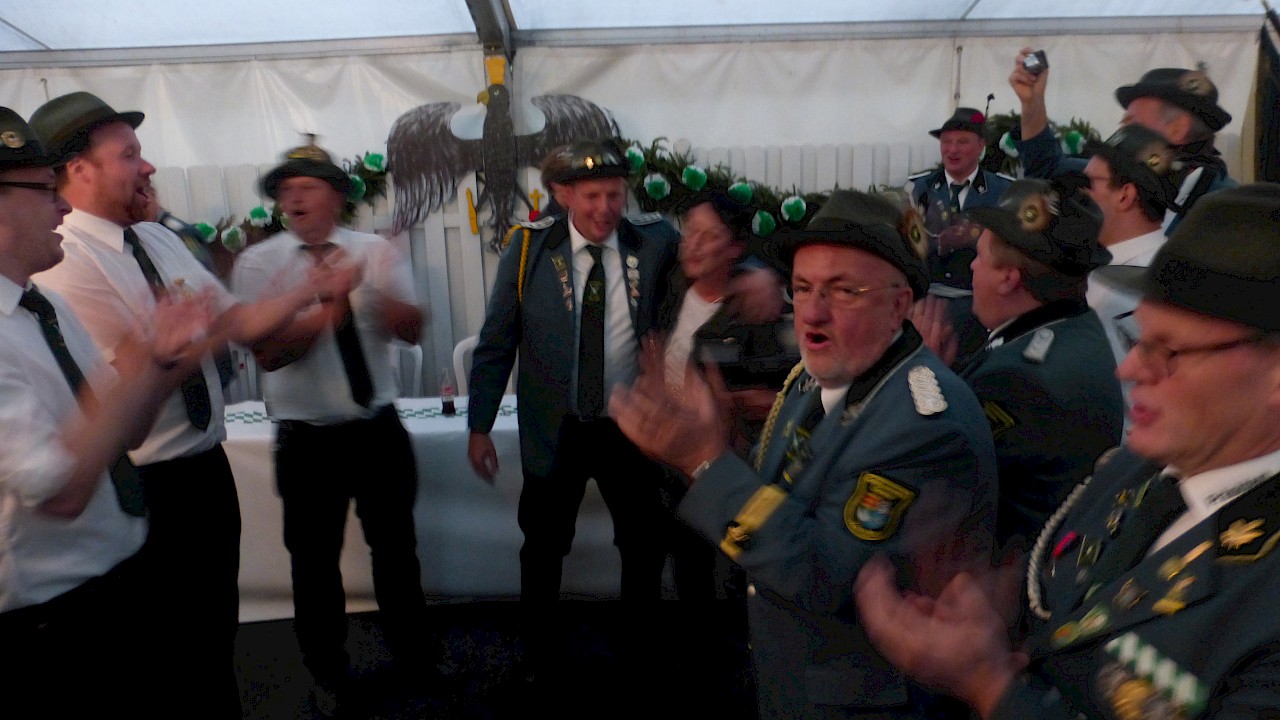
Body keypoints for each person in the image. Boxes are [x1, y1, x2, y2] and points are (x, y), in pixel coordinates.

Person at [856, 183, 1280, 720]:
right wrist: (998, 617)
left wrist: (990, 686)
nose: (1131, 369)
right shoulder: (1140, 470)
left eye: (1169, 351)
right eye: (1139, 341)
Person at [611, 188, 998, 718]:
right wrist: (728, 442)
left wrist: (705, 461)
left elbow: (820, 574)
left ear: (898, 305)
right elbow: (787, 495)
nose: (812, 313)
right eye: (802, 288)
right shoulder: (817, 379)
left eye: (843, 291)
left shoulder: (923, 423)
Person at [28, 91, 324, 715]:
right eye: (129, 154)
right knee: (162, 657)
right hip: (145, 484)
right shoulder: (62, 261)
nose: (148, 166)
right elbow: (119, 383)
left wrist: (309, 290)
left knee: (213, 638)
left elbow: (232, 320)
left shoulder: (154, 240)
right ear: (79, 169)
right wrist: (184, 342)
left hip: (203, 471)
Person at [0, 106, 212, 716]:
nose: (63, 208)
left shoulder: (43, 306)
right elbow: (62, 492)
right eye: (45, 191)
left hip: (112, 585)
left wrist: (157, 361)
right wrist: (143, 363)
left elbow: (126, 433)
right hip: (46, 623)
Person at [231, 139, 429, 711]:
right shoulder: (259, 264)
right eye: (284, 190)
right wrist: (329, 308)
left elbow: (413, 330)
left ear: (337, 197)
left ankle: (415, 661)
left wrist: (380, 294)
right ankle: (326, 672)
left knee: (397, 551)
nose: (293, 198)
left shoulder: (373, 250)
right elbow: (269, 355)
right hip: (306, 439)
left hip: (377, 429)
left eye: (307, 187)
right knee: (313, 563)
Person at [468, 138, 677, 602]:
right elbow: (497, 342)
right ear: (564, 195)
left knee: (644, 544)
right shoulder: (530, 248)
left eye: (614, 195)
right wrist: (479, 426)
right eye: (592, 196)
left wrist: (755, 276)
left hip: (631, 426)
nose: (605, 208)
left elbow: (710, 266)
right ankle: (539, 647)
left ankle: (641, 644)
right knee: (543, 546)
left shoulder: (655, 241)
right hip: (555, 427)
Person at [960, 178, 1123, 549]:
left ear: (1008, 278)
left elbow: (945, 482)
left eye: (980, 256)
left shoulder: (1015, 380)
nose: (972, 266)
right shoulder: (1078, 326)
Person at [1008, 50, 1236, 232]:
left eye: (1130, 123)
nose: (1120, 134)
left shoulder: (1227, 210)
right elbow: (1047, 168)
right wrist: (1032, 103)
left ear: (1178, 128)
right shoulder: (1110, 180)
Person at [907, 107, 1015, 365]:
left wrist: (975, 238)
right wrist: (934, 242)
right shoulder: (918, 189)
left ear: (980, 146)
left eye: (962, 142)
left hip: (977, 301)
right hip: (927, 298)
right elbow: (905, 246)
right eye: (946, 142)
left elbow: (1011, 249)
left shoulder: (1003, 191)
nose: (952, 150)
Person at [1078, 124, 1177, 371]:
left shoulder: (1143, 284)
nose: (1080, 192)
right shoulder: (1159, 262)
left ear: (1125, 196)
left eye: (1090, 182)